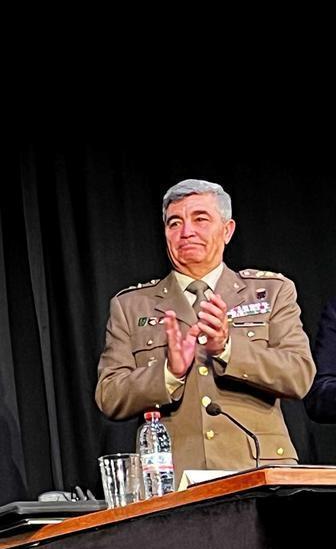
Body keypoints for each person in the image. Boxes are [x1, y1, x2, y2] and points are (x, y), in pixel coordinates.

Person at [95, 179, 314, 475]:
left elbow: (299, 375)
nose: (186, 232)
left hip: (259, 469)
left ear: (227, 230)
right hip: (173, 478)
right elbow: (109, 395)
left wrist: (228, 349)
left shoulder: (271, 291)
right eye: (174, 223)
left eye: (200, 219)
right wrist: (169, 374)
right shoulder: (131, 306)